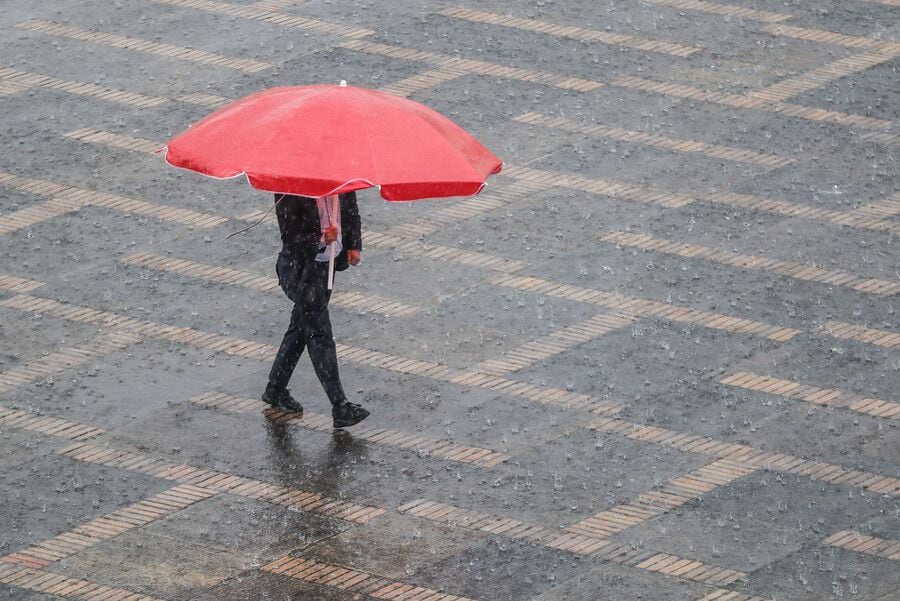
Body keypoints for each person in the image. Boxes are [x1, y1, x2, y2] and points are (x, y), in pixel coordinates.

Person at [262, 191, 370, 428]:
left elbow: (352, 212)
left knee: (300, 329)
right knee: (320, 335)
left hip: (326, 268)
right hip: (301, 270)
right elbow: (289, 234)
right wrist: (321, 239)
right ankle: (339, 405)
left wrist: (354, 245)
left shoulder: (343, 179)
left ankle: (275, 389)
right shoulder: (290, 186)